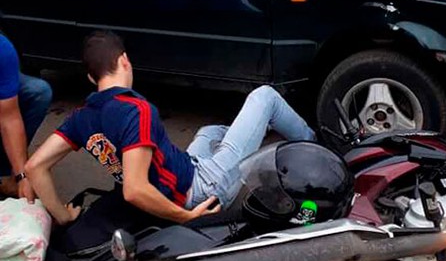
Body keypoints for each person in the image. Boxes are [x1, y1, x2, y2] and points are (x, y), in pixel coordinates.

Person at [25, 31, 316, 226]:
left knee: (210, 132)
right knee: (264, 96)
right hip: (201, 191)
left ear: (91, 78)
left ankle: (249, 141)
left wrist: (63, 216)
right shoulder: (136, 112)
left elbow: (35, 166)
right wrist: (185, 217)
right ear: (125, 60)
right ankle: (315, 147)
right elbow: (134, 190)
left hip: (185, 169)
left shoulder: (81, 117)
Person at [0, 32, 52, 201]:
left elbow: (9, 118)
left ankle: (7, 174)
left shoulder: (2, 48)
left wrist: (21, 175)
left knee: (38, 92)